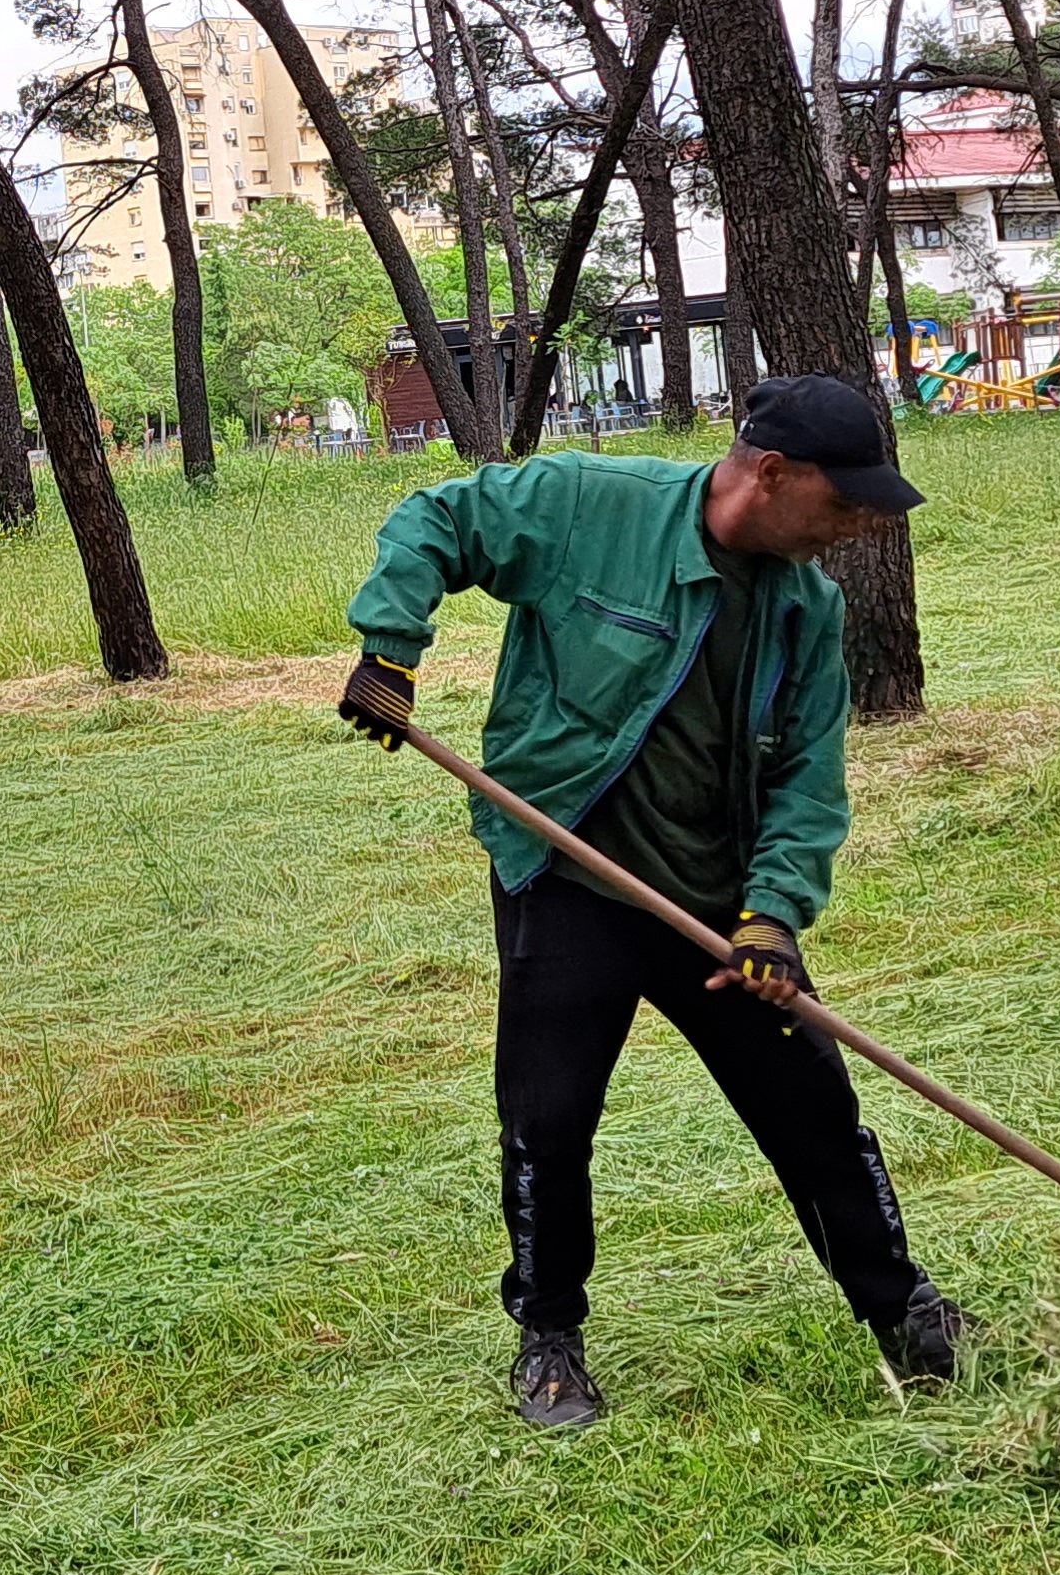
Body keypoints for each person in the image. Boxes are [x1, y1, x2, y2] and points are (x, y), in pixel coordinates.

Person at [339, 372, 967, 1428]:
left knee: (813, 1106)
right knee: (548, 1120)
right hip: (568, 874)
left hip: (719, 911)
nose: (859, 525)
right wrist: (390, 648)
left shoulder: (807, 608)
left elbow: (807, 782)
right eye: (844, 500)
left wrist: (772, 914)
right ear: (772, 474)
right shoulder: (590, 507)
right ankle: (548, 1340)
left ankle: (904, 1314)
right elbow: (436, 519)